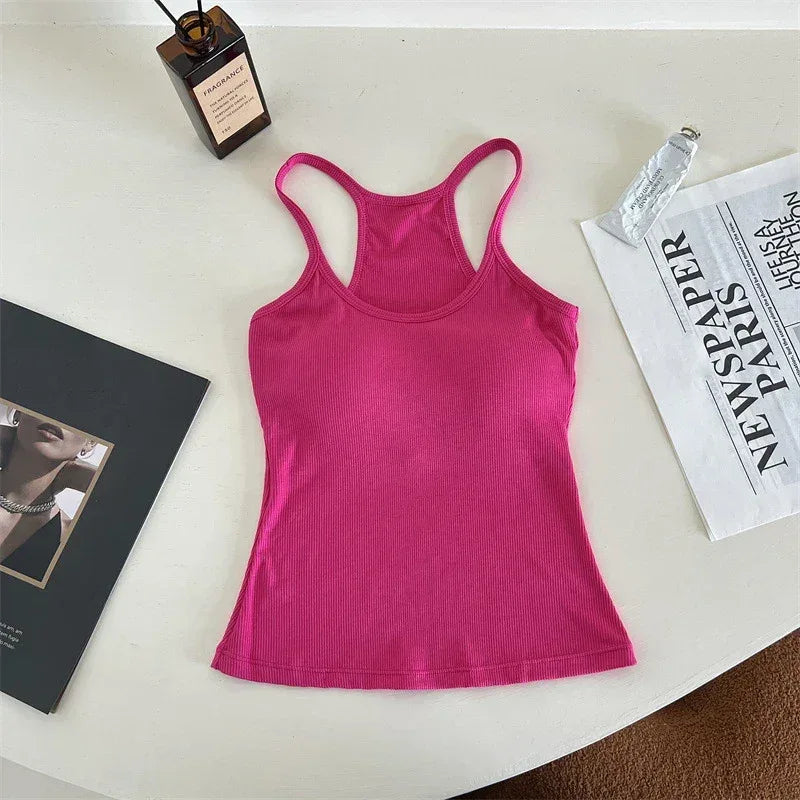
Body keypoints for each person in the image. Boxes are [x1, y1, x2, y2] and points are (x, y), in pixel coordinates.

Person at [0, 409, 97, 582]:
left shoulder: (69, 537)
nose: (57, 418)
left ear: (90, 443)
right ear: (18, 413)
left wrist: (95, 480)